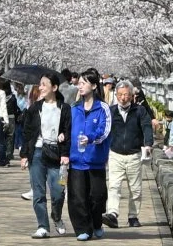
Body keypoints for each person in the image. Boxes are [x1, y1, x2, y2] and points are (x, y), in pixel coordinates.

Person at [20, 73, 70, 238]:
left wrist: (65, 151)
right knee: (38, 192)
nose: (40, 88)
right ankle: (43, 226)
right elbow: (27, 133)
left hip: (57, 154)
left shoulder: (64, 108)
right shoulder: (34, 108)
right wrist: (25, 155)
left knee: (58, 191)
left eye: (43, 84)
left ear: (54, 88)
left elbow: (68, 131)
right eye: (39, 84)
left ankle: (56, 216)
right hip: (38, 153)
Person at [67, 69, 111, 242]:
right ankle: (83, 228)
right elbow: (67, 128)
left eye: (84, 83)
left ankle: (97, 222)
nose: (80, 86)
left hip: (95, 161)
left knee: (97, 197)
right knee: (78, 197)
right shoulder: (74, 108)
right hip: (76, 160)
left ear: (93, 86)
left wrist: (91, 138)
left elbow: (105, 131)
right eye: (79, 83)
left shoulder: (103, 108)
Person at [105, 81, 153, 229]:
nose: (123, 98)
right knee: (114, 185)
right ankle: (112, 213)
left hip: (134, 154)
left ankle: (133, 216)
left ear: (132, 96)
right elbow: (104, 130)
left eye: (126, 94)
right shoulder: (111, 111)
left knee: (135, 188)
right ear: (116, 95)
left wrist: (148, 144)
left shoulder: (139, 111)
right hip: (115, 153)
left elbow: (146, 127)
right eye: (120, 95)